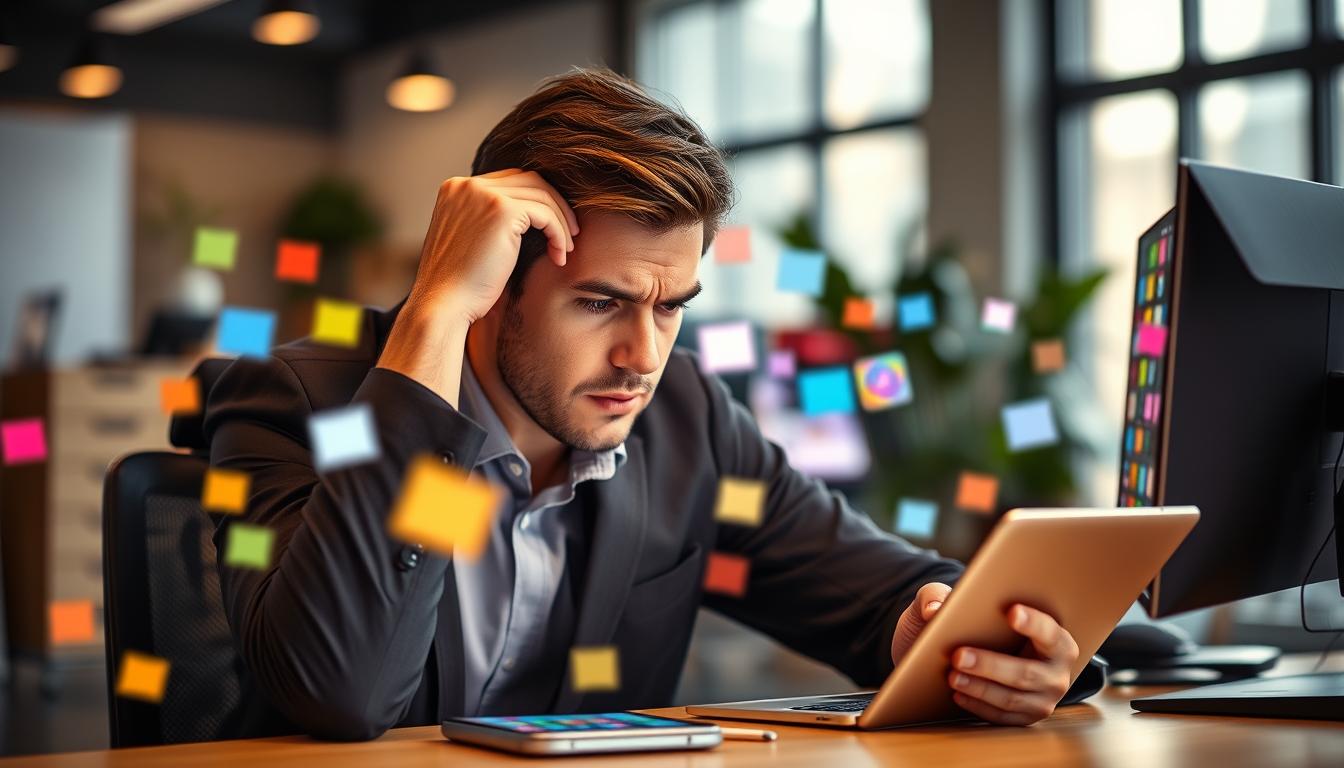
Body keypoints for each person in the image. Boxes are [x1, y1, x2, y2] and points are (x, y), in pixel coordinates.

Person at [201, 67, 1098, 741]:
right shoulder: (297, 405)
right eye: (600, 302)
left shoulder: (685, 422)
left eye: (670, 307)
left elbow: (887, 591)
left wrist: (977, 642)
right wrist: (433, 311)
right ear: (493, 284)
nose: (643, 357)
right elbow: (343, 691)